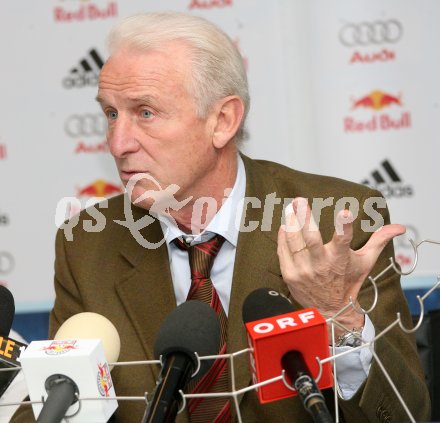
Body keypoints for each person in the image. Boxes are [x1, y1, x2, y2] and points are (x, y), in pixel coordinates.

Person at [12, 12, 430, 423]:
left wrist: (339, 317)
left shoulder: (337, 220)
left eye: (145, 113)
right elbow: (55, 405)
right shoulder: (88, 244)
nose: (118, 143)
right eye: (111, 114)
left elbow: (406, 413)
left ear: (223, 120)